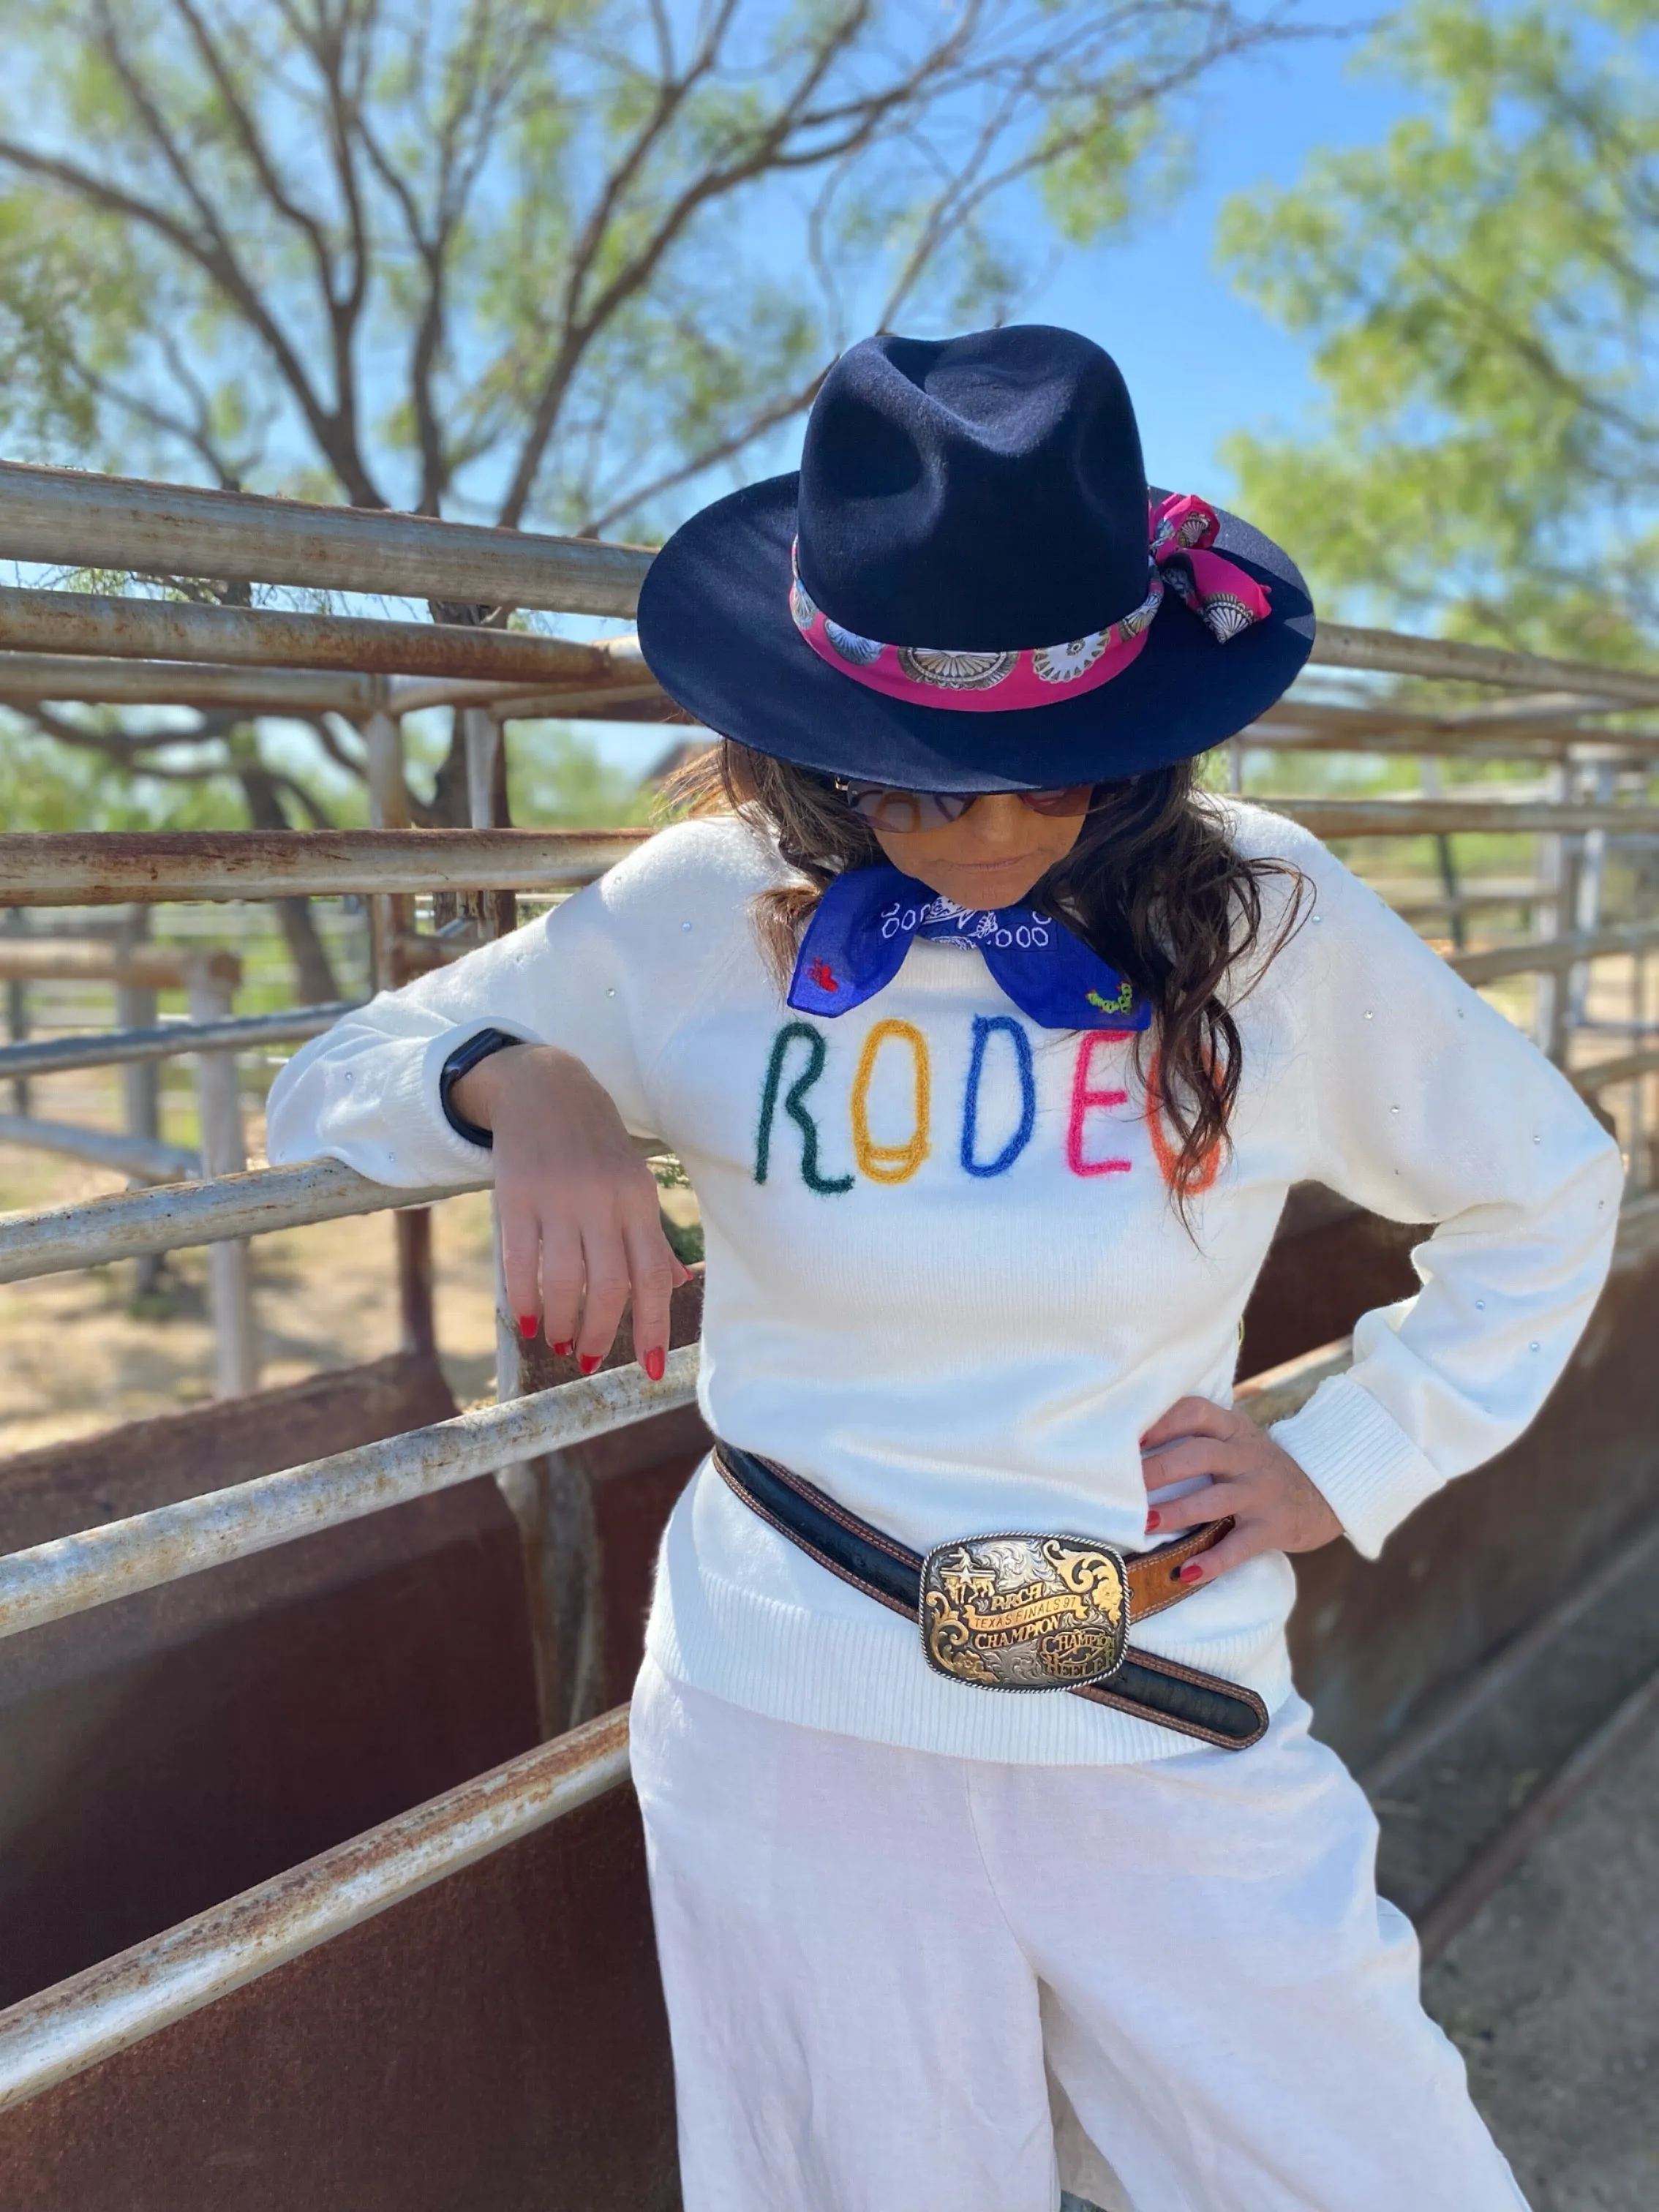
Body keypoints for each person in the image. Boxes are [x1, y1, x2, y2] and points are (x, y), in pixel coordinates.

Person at [267, 326, 1620, 2212]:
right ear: (811, 750)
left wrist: (1352, 1455)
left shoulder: (1266, 918)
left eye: (1052, 779)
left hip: (1154, 1694)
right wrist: (525, 1080)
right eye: (918, 783)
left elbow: (1547, 1185)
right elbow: (320, 1083)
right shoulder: (698, 915)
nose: (990, 837)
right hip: (786, 1715)